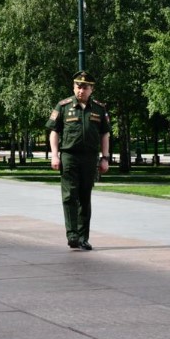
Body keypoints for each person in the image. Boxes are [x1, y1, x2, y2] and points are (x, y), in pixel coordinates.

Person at [46, 71, 111, 250]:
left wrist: (105, 158)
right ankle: (72, 234)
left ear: (92, 89)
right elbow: (54, 132)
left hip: (90, 158)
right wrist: (54, 154)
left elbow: (105, 133)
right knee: (69, 195)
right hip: (69, 156)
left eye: (84, 87)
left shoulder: (99, 108)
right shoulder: (63, 106)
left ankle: (83, 238)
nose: (80, 90)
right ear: (73, 87)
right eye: (77, 86)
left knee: (85, 197)